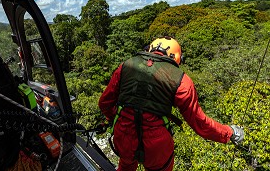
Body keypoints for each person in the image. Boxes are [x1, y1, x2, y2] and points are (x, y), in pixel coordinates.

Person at [98, 36, 244, 171]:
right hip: (156, 144)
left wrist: (116, 121)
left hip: (123, 135)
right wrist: (229, 132)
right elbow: (199, 123)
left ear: (151, 49)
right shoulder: (181, 80)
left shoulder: (126, 66)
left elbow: (105, 102)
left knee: (126, 165)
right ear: (176, 58)